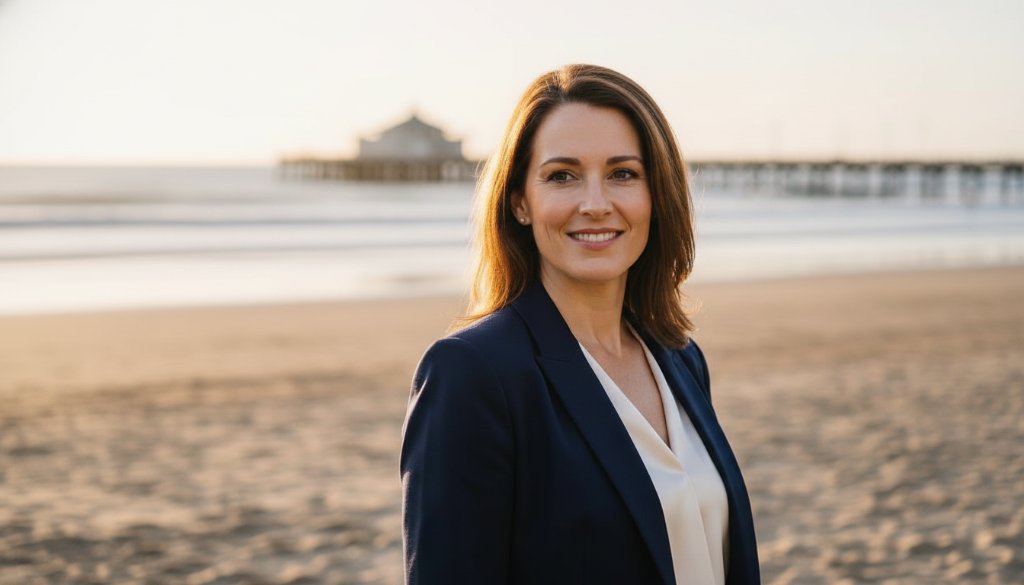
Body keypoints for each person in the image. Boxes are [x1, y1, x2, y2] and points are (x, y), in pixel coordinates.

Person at [400, 64, 760, 585]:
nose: (595, 204)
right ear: (520, 202)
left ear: (656, 195)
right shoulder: (472, 374)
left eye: (623, 174)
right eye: (562, 176)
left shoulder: (680, 357)